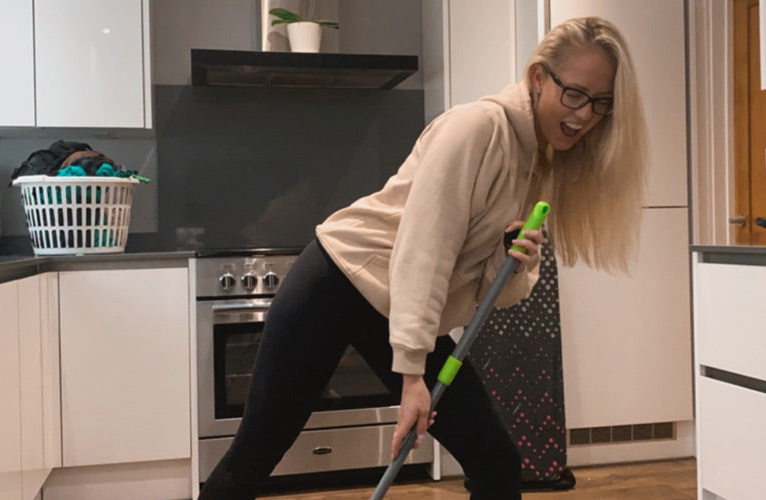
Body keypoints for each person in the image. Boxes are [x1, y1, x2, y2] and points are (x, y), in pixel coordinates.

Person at [199, 15, 647, 500]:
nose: (583, 115)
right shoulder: (478, 128)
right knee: (256, 453)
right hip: (337, 282)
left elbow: (497, 295)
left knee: (495, 460)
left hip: (398, 304)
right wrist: (412, 374)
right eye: (575, 94)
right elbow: (423, 249)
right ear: (539, 78)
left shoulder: (537, 163)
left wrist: (509, 259)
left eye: (601, 104)